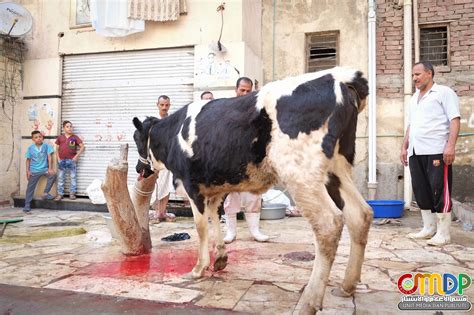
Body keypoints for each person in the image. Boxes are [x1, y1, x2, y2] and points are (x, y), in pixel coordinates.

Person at [401, 61, 460, 246]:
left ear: (429, 73)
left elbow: (454, 119)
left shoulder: (444, 93)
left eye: (417, 74)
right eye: (412, 75)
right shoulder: (414, 98)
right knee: (421, 190)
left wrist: (450, 146)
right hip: (416, 150)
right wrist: (404, 146)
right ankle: (428, 228)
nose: (414, 78)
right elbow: (411, 125)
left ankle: (443, 233)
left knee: (439, 190)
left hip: (436, 149)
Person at [223, 77, 269, 243]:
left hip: (251, 158)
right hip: (232, 159)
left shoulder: (257, 110)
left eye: (248, 91)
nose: (245, 93)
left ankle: (255, 231)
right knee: (231, 196)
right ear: (236, 89)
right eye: (242, 90)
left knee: (253, 195)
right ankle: (230, 232)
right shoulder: (227, 109)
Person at [150, 95, 176, 223]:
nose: (164, 107)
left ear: (169, 105)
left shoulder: (172, 120)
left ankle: (163, 212)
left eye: (166, 105)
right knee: (157, 185)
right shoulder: (153, 121)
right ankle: (156, 212)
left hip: (169, 158)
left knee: (168, 184)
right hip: (156, 158)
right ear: (157, 105)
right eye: (162, 105)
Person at [24, 131, 57, 213]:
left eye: (40, 137)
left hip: (45, 169)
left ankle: (45, 193)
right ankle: (27, 204)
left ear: (42, 138)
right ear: (33, 139)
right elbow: (28, 160)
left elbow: (50, 157)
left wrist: (50, 168)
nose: (38, 138)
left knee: (53, 175)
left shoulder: (46, 146)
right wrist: (27, 171)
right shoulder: (30, 148)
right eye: (36, 137)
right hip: (34, 171)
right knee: (30, 188)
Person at [54, 121, 85, 200]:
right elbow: (56, 149)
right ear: (64, 128)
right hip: (62, 160)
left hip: (71, 161)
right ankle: (60, 194)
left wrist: (76, 156)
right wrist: (58, 158)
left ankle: (72, 193)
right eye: (67, 126)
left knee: (73, 177)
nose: (70, 128)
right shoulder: (60, 137)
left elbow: (82, 147)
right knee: (61, 177)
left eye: (71, 126)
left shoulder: (75, 137)